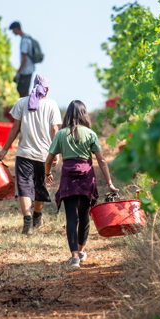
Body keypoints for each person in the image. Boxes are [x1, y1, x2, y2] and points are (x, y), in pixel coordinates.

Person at [45, 100, 119, 269]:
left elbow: (49, 159)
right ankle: (81, 251)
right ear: (84, 114)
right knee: (84, 215)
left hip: (68, 178)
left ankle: (74, 258)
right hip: (87, 177)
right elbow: (101, 159)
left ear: (68, 115)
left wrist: (47, 174)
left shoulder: (61, 134)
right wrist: (109, 183)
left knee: (71, 216)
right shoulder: (90, 134)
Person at [0, 75, 62, 235]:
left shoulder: (21, 102)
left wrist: (5, 149)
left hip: (24, 154)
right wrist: (56, 153)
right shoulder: (52, 104)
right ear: (47, 89)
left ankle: (27, 219)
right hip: (44, 156)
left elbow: (15, 127)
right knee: (40, 186)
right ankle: (37, 217)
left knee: (24, 187)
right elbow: (54, 130)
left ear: (34, 86)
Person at [9, 21, 35, 98]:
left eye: (13, 30)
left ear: (17, 29)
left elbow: (24, 59)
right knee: (23, 92)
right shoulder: (28, 37)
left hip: (26, 71)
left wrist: (18, 73)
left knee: (23, 93)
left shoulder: (25, 41)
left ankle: (31, 107)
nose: (13, 32)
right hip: (29, 69)